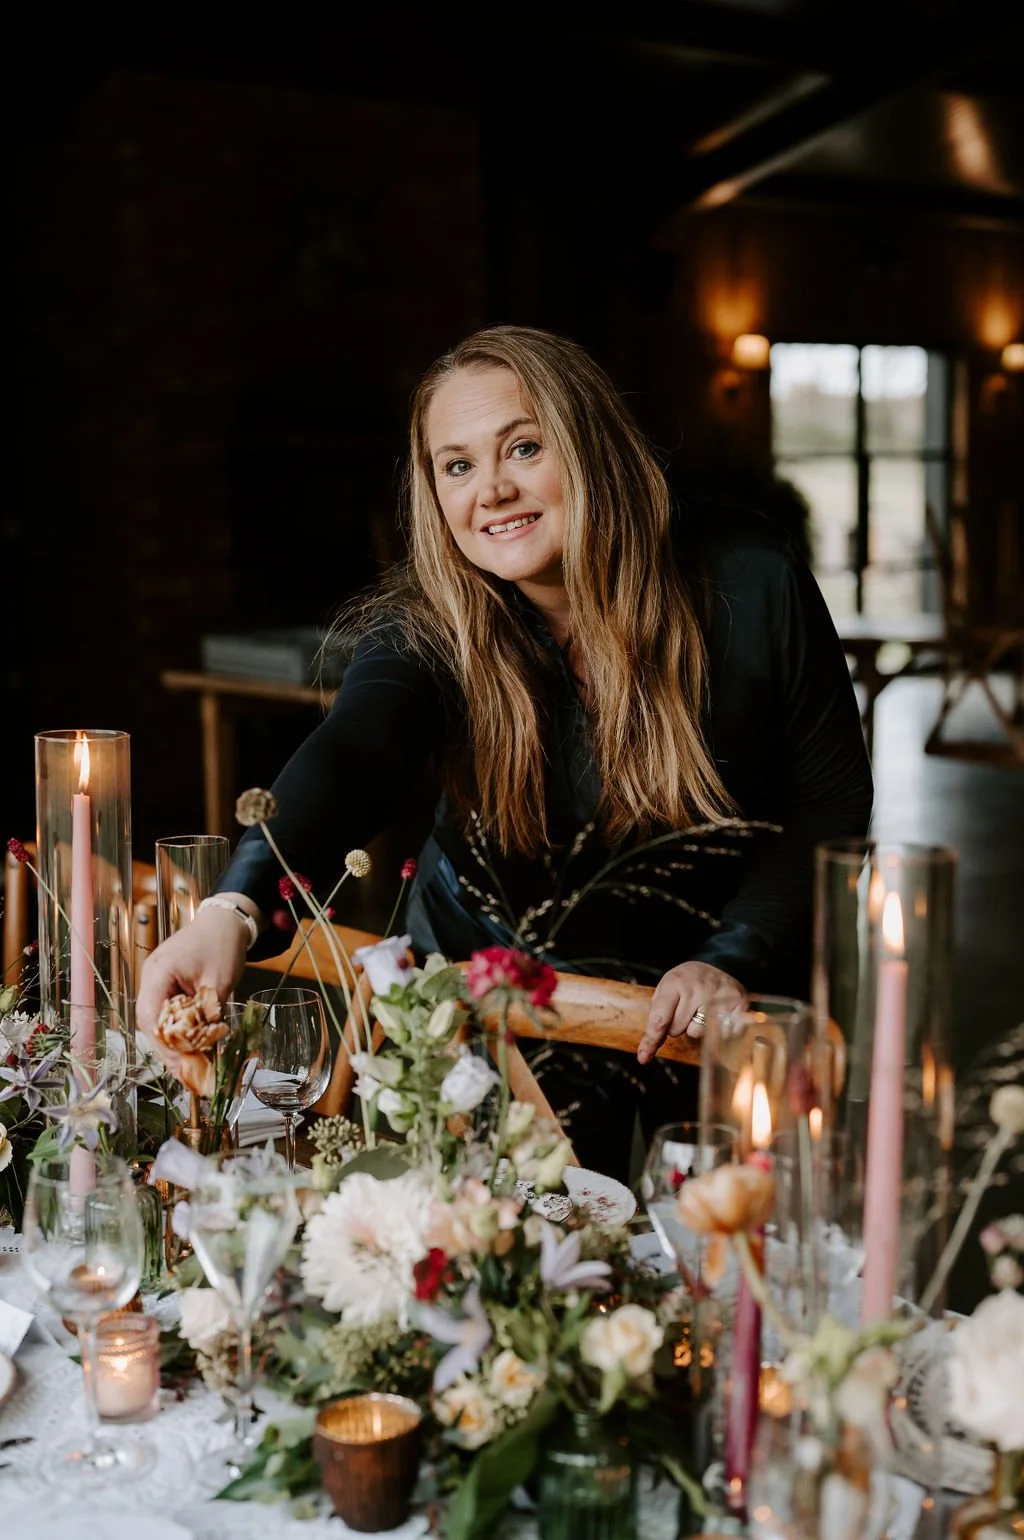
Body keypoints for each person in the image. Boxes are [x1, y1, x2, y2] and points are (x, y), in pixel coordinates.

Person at [138, 326, 872, 1181]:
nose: (491, 490)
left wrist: (728, 959)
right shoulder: (431, 621)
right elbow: (353, 752)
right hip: (489, 1005)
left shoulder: (750, 576)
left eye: (524, 447)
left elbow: (826, 806)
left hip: (706, 994)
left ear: (590, 445)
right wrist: (231, 908)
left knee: (711, 1247)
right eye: (457, 466)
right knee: (490, 1254)